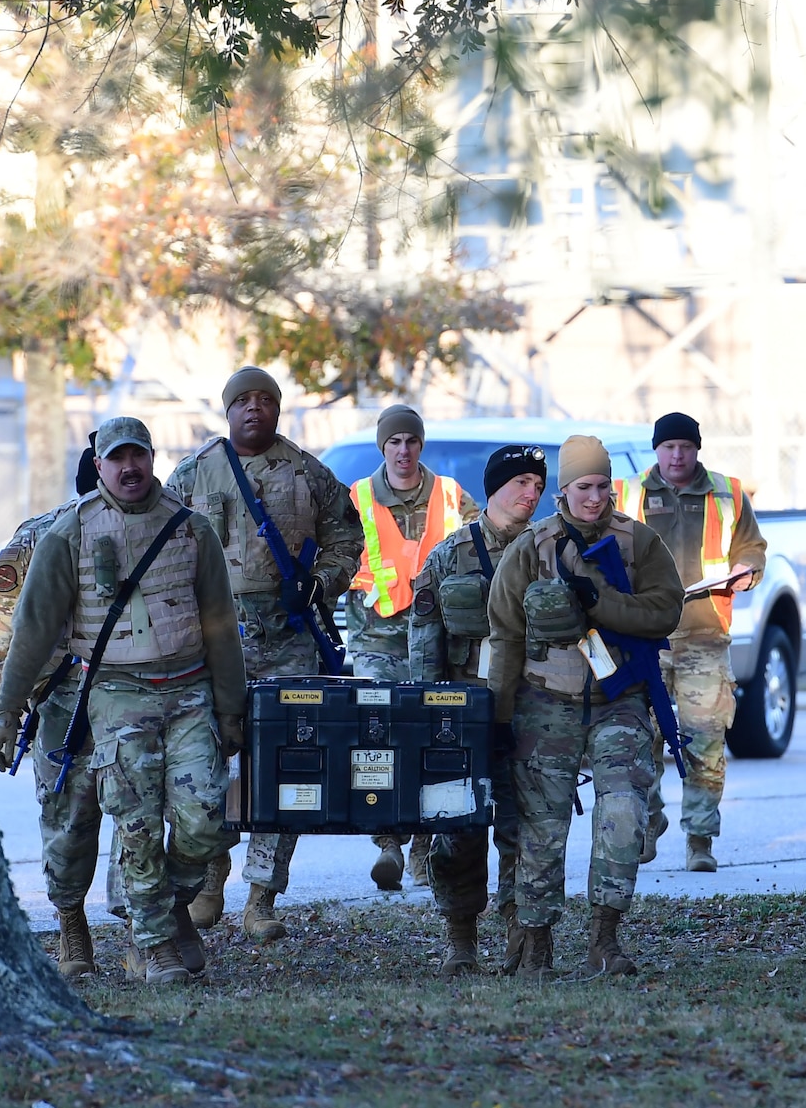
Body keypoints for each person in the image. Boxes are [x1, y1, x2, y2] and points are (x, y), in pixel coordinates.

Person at [0, 417, 247, 984]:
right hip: (112, 694)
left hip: (187, 690)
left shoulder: (190, 529)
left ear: (152, 458)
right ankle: (148, 943)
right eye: (116, 457)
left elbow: (222, 627)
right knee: (131, 825)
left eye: (138, 455)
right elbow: (29, 628)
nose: (129, 467)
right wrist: (6, 709)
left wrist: (232, 709)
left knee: (208, 819)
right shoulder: (66, 533)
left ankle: (170, 905)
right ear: (98, 465)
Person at [166, 366, 364, 942]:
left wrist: (321, 583)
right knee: (206, 762)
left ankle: (262, 898)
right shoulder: (194, 471)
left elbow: (347, 538)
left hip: (289, 639)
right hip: (213, 641)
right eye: (243, 401)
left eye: (265, 400)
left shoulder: (307, 470)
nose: (254, 409)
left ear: (278, 410)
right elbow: (162, 546)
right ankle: (209, 879)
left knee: (284, 766)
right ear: (227, 411)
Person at [487, 435, 684, 977]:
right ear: (563, 490)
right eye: (582, 487)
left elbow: (665, 611)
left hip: (619, 702)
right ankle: (537, 945)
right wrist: (498, 716)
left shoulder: (639, 544)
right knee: (540, 829)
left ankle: (605, 939)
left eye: (601, 486)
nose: (593, 497)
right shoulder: (531, 548)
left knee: (623, 812)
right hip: (544, 702)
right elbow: (503, 637)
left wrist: (602, 601)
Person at [406, 443, 547, 974]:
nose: (531, 494)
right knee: (458, 830)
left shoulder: (550, 551)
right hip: (463, 712)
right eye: (520, 483)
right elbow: (424, 643)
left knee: (526, 829)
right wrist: (428, 717)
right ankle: (460, 941)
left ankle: (523, 940)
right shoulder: (450, 555)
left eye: (538, 485)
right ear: (494, 489)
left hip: (532, 709)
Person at [613, 412, 766, 871]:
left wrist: (748, 571)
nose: (676, 455)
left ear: (697, 448)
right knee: (641, 738)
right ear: (656, 450)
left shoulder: (728, 492)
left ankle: (699, 840)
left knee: (705, 739)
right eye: (668, 447)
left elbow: (752, 547)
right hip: (644, 638)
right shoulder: (626, 494)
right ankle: (648, 820)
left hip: (704, 633)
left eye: (685, 446)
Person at [0, 444, 98, 977]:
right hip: (60, 701)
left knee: (145, 816)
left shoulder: (165, 529)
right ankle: (71, 925)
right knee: (67, 821)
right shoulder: (40, 534)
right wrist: (5, 698)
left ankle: (147, 930)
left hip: (140, 692)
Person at [345, 403, 479, 891]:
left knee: (430, 740)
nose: (404, 450)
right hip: (377, 637)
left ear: (421, 445)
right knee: (377, 736)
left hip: (436, 638)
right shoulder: (357, 498)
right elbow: (334, 552)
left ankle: (423, 849)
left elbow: (480, 544)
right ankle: (388, 844)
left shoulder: (449, 495)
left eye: (411, 441)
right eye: (395, 442)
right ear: (383, 447)